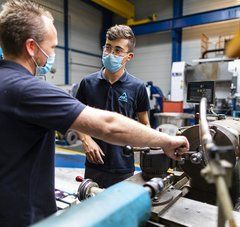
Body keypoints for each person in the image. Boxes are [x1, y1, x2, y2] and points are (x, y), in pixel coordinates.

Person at [0, 1, 189, 226]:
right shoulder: (30, 90)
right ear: (32, 47)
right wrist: (167, 140)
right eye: (52, 47)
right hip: (22, 215)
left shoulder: (8, 83)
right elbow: (108, 125)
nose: (52, 54)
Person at [76, 25, 151, 188]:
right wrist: (86, 140)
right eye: (108, 47)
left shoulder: (137, 87)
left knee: (120, 212)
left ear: (129, 56)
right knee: (91, 207)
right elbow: (76, 117)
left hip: (123, 166)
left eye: (118, 50)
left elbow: (145, 124)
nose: (111, 54)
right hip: (94, 163)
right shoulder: (88, 83)